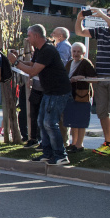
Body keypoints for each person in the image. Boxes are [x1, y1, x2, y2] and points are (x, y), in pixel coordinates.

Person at [9, 24, 72, 165]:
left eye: (29, 36)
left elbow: (33, 71)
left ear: (36, 36)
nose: (28, 38)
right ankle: (48, 153)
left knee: (50, 123)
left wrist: (16, 62)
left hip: (58, 91)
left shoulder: (48, 50)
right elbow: (31, 64)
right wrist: (17, 59)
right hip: (48, 91)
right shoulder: (39, 50)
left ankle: (60, 155)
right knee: (41, 122)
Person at [75, 6, 110, 156]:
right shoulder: (101, 31)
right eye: (108, 15)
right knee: (101, 111)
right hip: (101, 77)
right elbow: (79, 32)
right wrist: (79, 18)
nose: (108, 17)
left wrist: (101, 15)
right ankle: (107, 142)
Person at [62, 42, 96, 153]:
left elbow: (94, 78)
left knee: (81, 121)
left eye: (78, 51)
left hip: (82, 96)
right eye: (74, 51)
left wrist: (82, 77)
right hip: (70, 95)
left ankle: (79, 145)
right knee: (72, 121)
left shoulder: (86, 63)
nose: (76, 54)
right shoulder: (70, 62)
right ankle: (73, 143)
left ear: (83, 53)